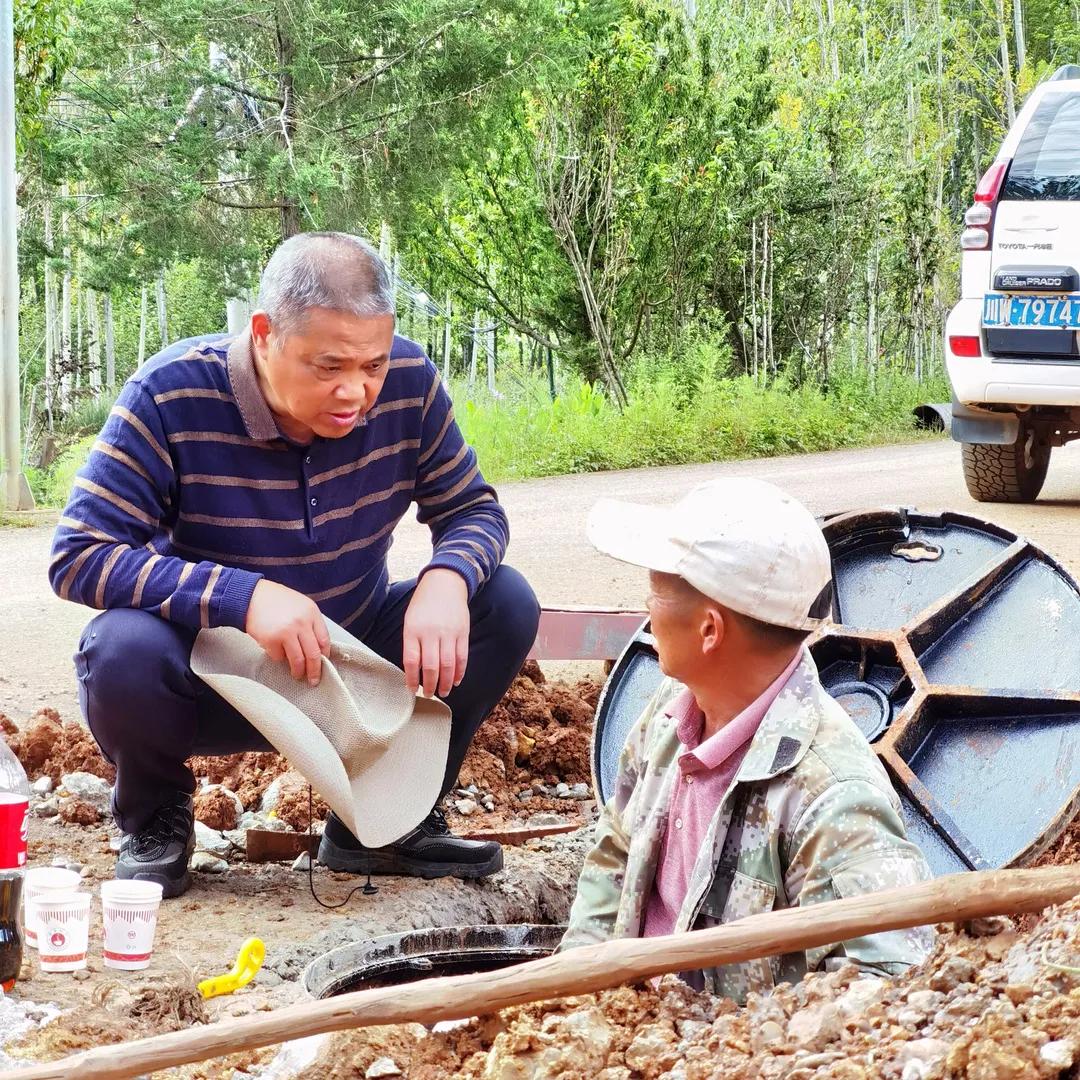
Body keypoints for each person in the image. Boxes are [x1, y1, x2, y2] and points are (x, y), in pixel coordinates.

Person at [49, 232, 539, 897]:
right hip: (216, 676)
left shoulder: (410, 384)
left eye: (371, 365)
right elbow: (79, 554)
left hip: (351, 668)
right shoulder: (171, 394)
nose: (355, 392)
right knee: (121, 647)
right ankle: (157, 819)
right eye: (328, 365)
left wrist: (447, 578)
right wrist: (242, 598)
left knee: (503, 602)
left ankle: (386, 824)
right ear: (263, 334)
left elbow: (474, 511)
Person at [560, 477, 932, 1001]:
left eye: (656, 593)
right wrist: (572, 997)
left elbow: (890, 993)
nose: (647, 608)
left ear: (709, 630)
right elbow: (614, 858)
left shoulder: (834, 798)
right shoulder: (667, 716)